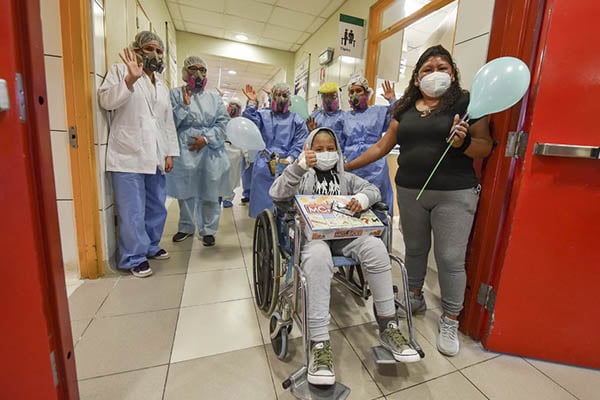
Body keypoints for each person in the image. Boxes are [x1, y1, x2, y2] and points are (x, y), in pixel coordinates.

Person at [345, 45, 493, 357]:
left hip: (454, 193)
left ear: (452, 73)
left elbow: (485, 146)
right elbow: (382, 146)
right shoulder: (404, 108)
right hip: (410, 191)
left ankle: (450, 318)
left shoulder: (466, 103)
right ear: (416, 77)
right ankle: (414, 296)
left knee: (450, 258)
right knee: (414, 249)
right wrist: (345, 167)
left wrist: (463, 142)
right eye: (428, 69)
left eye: (442, 67)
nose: (435, 73)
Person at [270, 127, 419, 386]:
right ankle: (318, 342)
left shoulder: (346, 178)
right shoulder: (301, 176)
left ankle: (388, 326)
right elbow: (276, 193)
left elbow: (372, 189)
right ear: (308, 150)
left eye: (330, 149)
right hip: (311, 240)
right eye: (319, 149)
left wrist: (362, 198)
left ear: (338, 151)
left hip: (344, 236)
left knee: (375, 248)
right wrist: (297, 167)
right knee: (318, 257)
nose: (326, 153)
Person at [98, 31, 179, 278]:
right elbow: (106, 101)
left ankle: (151, 246)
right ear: (137, 50)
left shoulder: (162, 86)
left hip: (156, 154)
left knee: (157, 206)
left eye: (159, 51)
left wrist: (169, 153)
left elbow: (167, 122)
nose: (155, 54)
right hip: (127, 155)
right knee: (132, 210)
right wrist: (129, 81)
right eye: (149, 49)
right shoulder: (120, 71)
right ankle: (133, 257)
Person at [167, 56, 230, 247]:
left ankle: (209, 230)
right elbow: (168, 123)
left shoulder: (214, 98)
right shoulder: (175, 94)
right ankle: (186, 227)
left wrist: (207, 139)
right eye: (193, 69)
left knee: (210, 189)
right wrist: (184, 107)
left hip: (210, 149)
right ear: (185, 72)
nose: (198, 74)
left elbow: (224, 123)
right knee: (185, 189)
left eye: (202, 70)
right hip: (185, 148)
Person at [242, 82, 308, 218]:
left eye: (284, 95)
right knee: (262, 204)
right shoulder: (262, 116)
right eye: (277, 94)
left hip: (287, 165)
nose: (280, 98)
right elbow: (249, 125)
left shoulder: (297, 120)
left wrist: (289, 159)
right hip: (264, 164)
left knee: (283, 203)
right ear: (272, 97)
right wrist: (252, 103)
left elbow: (300, 142)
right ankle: (263, 226)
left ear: (289, 99)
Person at [341, 74, 397, 213]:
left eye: (359, 91)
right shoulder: (344, 117)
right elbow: (338, 141)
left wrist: (392, 100)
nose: (355, 94)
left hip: (375, 166)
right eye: (351, 92)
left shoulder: (378, 112)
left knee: (378, 203)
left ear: (367, 93)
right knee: (353, 204)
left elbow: (399, 117)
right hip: (351, 165)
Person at [221, 98, 244, 208]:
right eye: (231, 107)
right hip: (222, 149)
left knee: (232, 176)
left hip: (235, 151)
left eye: (236, 107)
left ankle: (228, 198)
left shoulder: (241, 123)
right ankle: (218, 195)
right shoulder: (221, 119)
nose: (233, 110)